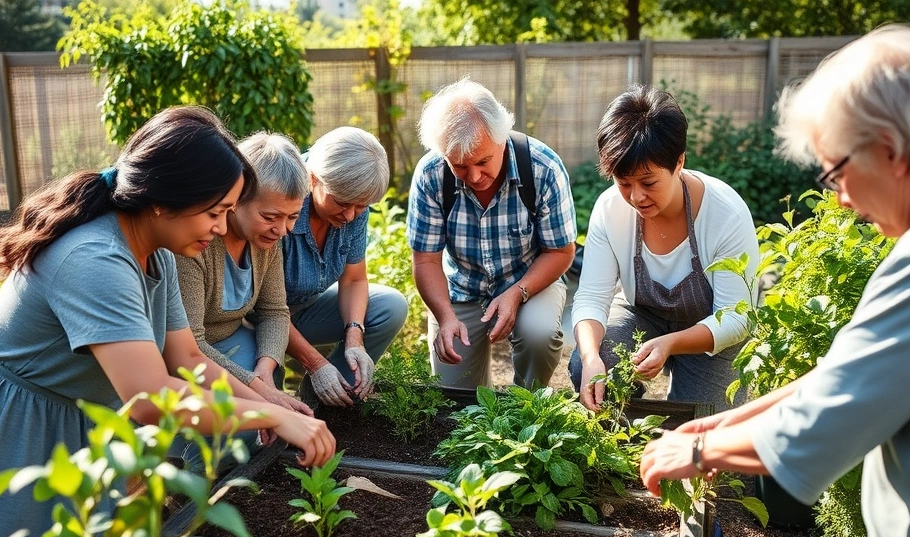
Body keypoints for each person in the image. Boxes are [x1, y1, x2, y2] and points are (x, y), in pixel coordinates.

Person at [0, 106, 336, 537]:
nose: (219, 228)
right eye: (214, 212)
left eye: (228, 212)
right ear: (161, 201)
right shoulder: (96, 260)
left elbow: (187, 357)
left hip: (83, 412)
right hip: (25, 423)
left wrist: (264, 398)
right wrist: (268, 414)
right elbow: (151, 397)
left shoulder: (157, 252)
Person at [640, 25, 910, 537]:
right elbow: (848, 372)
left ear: (892, 149)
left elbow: (831, 416)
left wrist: (695, 454)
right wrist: (717, 426)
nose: (839, 197)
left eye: (837, 169)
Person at [569, 86, 759, 413]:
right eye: (624, 182)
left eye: (648, 182)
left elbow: (738, 318)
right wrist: (590, 359)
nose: (636, 196)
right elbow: (591, 298)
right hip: (642, 315)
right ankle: (623, 435)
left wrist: (670, 344)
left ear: (679, 162)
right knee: (591, 365)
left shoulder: (725, 213)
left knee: (701, 422)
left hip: (712, 330)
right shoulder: (610, 209)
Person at [407, 78, 576, 390]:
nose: (473, 176)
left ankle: (525, 403)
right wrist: (445, 317)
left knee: (539, 334)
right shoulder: (431, 174)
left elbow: (561, 252)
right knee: (452, 400)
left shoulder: (543, 168)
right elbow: (426, 260)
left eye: (483, 161)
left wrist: (517, 293)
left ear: (502, 140)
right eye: (459, 165)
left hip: (529, 280)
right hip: (461, 287)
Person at [174, 132, 315, 471]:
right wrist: (258, 391)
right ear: (236, 199)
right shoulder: (199, 241)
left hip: (230, 337)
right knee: (238, 420)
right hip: (186, 347)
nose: (282, 229)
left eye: (293, 217)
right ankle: (195, 480)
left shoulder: (267, 241)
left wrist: (265, 373)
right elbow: (189, 344)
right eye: (270, 217)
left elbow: (275, 312)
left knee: (263, 390)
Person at [283, 127, 408, 408]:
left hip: (304, 310)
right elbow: (266, 308)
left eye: (361, 206)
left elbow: (353, 280)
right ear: (313, 178)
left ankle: (331, 393)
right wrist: (315, 364)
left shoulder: (351, 207)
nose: (350, 215)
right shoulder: (283, 201)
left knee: (390, 306)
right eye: (341, 203)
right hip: (258, 322)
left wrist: (355, 338)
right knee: (267, 406)